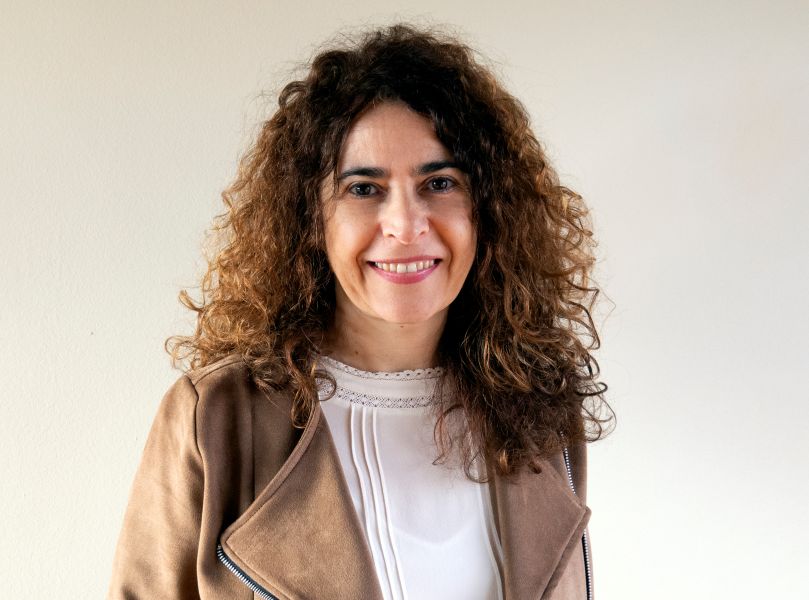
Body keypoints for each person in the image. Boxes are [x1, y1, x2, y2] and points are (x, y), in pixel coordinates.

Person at [108, 23, 611, 600]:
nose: (406, 225)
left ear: (489, 210)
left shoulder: (540, 409)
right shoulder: (218, 419)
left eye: (439, 182)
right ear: (311, 220)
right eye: (364, 189)